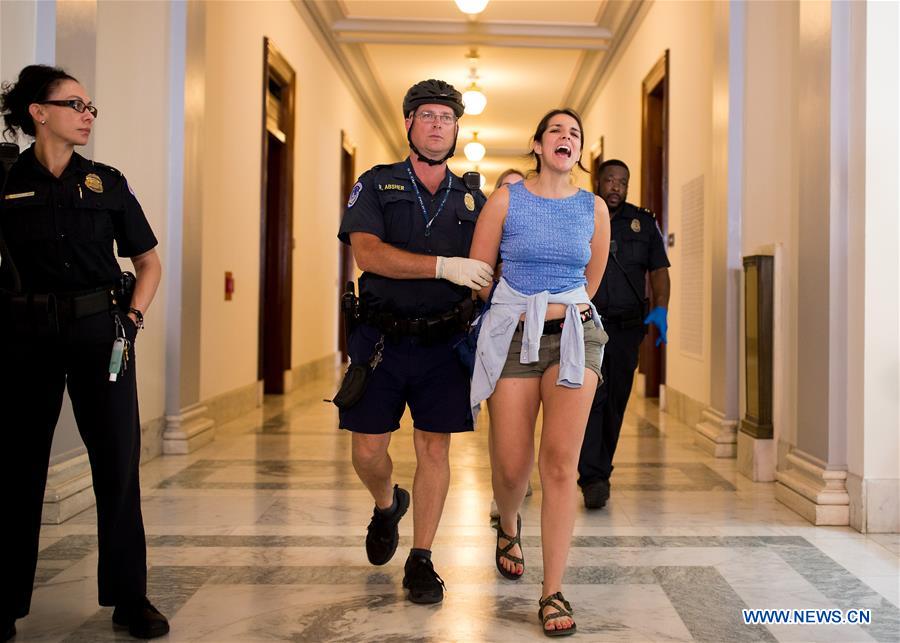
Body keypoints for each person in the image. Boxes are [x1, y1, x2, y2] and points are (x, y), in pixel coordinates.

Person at [0, 65, 167, 640]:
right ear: (37, 113)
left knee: (118, 464)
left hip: (104, 335)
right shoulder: (4, 182)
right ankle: (3, 602)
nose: (87, 114)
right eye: (74, 104)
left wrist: (133, 319)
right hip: (26, 339)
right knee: (18, 468)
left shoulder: (107, 183)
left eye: (91, 105)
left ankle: (129, 598)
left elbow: (148, 263)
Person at [336, 79, 491, 605]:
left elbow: (494, 266)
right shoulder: (376, 184)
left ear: (456, 128)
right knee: (367, 449)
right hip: (380, 340)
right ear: (408, 124)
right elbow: (369, 254)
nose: (437, 126)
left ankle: (422, 557)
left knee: (434, 447)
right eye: (427, 116)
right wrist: (445, 266)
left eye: (446, 118)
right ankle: (386, 504)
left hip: (445, 345)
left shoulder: (473, 198)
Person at [469, 108, 610, 637]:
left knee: (558, 466)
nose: (566, 138)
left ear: (578, 150)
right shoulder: (506, 200)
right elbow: (482, 276)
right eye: (556, 130)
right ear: (537, 144)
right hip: (512, 337)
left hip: (575, 335)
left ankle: (552, 589)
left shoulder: (594, 207)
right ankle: (507, 523)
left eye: (574, 133)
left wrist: (557, 310)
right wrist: (521, 309)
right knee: (511, 467)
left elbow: (590, 280)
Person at [578, 159, 671, 509]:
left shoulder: (642, 222)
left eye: (623, 182)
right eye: (610, 180)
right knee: (589, 399)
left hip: (627, 328)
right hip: (586, 324)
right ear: (597, 181)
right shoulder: (581, 214)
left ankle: (600, 469)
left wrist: (661, 308)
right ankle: (593, 477)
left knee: (615, 400)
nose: (616, 186)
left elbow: (659, 270)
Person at [488, 165, 528, 521]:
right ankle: (501, 487)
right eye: (506, 190)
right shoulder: (488, 230)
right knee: (500, 421)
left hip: (535, 330)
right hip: (494, 331)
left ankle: (515, 479)